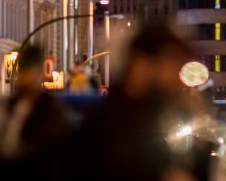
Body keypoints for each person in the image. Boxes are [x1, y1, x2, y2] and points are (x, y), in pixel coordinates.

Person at [65, 24, 197, 181]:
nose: (176, 74)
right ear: (140, 65)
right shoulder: (107, 126)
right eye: (170, 61)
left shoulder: (158, 115)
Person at [0, 44, 70, 177]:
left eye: (28, 72)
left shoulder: (50, 111)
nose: (23, 77)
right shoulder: (11, 105)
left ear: (39, 73)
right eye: (22, 71)